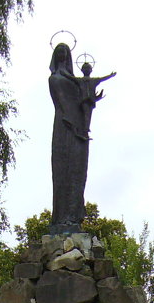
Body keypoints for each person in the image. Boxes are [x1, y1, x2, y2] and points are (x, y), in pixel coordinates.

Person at [48, 43, 114, 233]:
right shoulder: (54, 78)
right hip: (63, 124)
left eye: (65, 52)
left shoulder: (76, 80)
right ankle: (60, 218)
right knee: (61, 170)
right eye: (59, 51)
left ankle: (73, 216)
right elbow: (61, 100)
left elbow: (85, 98)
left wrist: (90, 98)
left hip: (79, 129)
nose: (62, 54)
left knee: (77, 169)